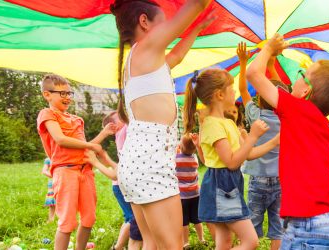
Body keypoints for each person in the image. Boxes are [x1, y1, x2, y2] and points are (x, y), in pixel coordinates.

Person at [110, 0, 215, 249]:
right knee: (172, 245)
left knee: (153, 243)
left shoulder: (144, 60)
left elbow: (176, 56)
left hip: (140, 162)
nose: (167, 28)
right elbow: (197, 4)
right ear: (144, 22)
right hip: (150, 164)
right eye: (163, 23)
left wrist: (197, 29)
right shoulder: (144, 49)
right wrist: (198, 13)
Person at [246, 33, 329, 250]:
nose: (295, 78)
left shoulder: (297, 109)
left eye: (301, 74)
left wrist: (268, 49)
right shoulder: (323, 124)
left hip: (308, 223)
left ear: (306, 91)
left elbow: (253, 73)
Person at [183, 68, 279, 250]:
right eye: (231, 87)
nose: (235, 91)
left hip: (227, 184)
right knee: (251, 242)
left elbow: (248, 154)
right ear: (220, 94)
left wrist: (274, 142)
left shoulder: (227, 122)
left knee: (226, 243)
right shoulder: (212, 124)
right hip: (222, 185)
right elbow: (232, 162)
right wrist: (253, 137)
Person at [37, 74, 110, 250]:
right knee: (67, 221)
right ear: (47, 95)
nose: (68, 97)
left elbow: (85, 147)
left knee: (89, 218)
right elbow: (60, 140)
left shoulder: (77, 120)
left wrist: (104, 134)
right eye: (63, 93)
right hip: (65, 171)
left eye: (69, 93)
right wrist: (91, 146)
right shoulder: (47, 114)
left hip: (85, 172)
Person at [237, 42, 285, 250]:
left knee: (252, 225)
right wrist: (272, 64)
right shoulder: (287, 118)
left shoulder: (255, 115)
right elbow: (282, 93)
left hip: (258, 181)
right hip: (282, 180)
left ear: (258, 99)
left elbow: (241, 89)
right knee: (278, 224)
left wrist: (243, 63)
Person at [99, 112, 144, 250]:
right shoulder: (124, 130)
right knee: (133, 219)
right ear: (114, 126)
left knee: (129, 218)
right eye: (120, 115)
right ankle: (118, 247)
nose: (123, 114)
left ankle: (118, 247)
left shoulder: (121, 133)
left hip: (120, 184)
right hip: (122, 183)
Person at [176, 134, 211, 249]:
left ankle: (185, 242)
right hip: (196, 194)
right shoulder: (194, 158)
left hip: (182, 196)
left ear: (180, 147)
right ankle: (201, 239)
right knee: (197, 219)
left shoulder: (177, 159)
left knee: (184, 221)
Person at [42, 158, 56, 223]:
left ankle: (62, 218)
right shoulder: (48, 159)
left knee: (62, 201)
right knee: (52, 202)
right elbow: (44, 171)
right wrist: (54, 175)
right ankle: (51, 219)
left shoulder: (63, 158)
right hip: (52, 183)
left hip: (62, 182)